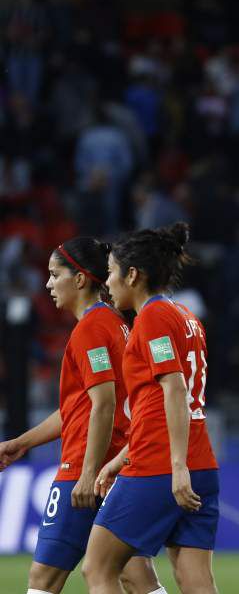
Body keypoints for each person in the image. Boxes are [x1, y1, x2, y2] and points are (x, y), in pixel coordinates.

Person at [0, 237, 163, 594]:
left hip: (84, 468)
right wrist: (20, 443)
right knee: (135, 575)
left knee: (43, 579)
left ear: (79, 279)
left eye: (54, 274)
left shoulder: (90, 329)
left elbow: (104, 403)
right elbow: (80, 408)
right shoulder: (116, 324)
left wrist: (86, 474)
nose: (47, 284)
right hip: (119, 467)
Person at [82, 223, 220, 594]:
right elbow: (161, 403)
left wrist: (176, 468)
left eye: (111, 272)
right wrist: (119, 459)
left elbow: (174, 390)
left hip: (161, 465)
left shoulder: (154, 318)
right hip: (200, 461)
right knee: (195, 579)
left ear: (132, 275)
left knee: (97, 569)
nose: (107, 283)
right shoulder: (186, 316)